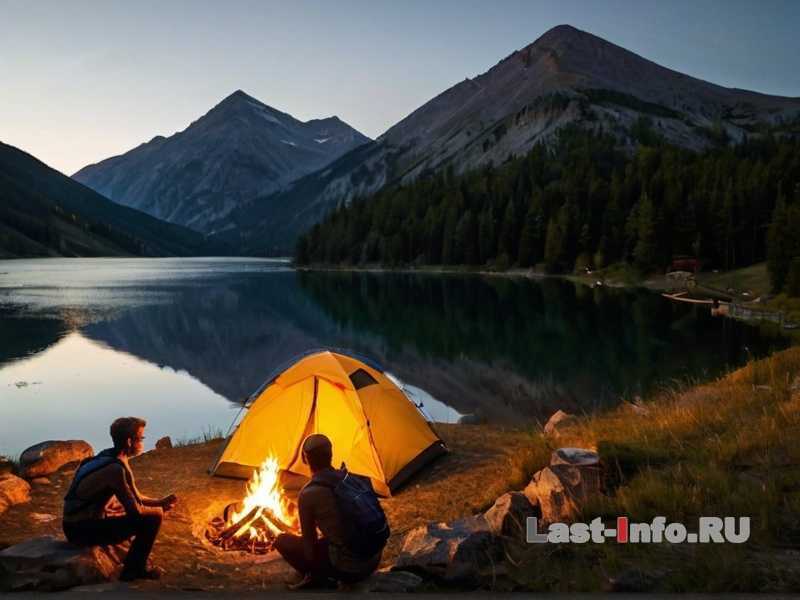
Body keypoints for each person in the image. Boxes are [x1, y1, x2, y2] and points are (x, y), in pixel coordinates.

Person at [62, 417, 177, 582]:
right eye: (141, 438)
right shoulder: (114, 469)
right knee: (151, 519)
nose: (143, 443)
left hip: (79, 523)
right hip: (79, 530)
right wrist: (158, 511)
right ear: (130, 441)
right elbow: (135, 510)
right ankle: (133, 571)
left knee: (146, 512)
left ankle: (133, 565)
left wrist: (160, 501)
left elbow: (135, 496)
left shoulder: (111, 456)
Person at [274, 434, 385, 590]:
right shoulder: (352, 478)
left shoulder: (309, 493)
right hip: (373, 559)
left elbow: (309, 546)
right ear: (331, 454)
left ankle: (317, 579)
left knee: (282, 541)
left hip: (350, 570)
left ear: (305, 459)